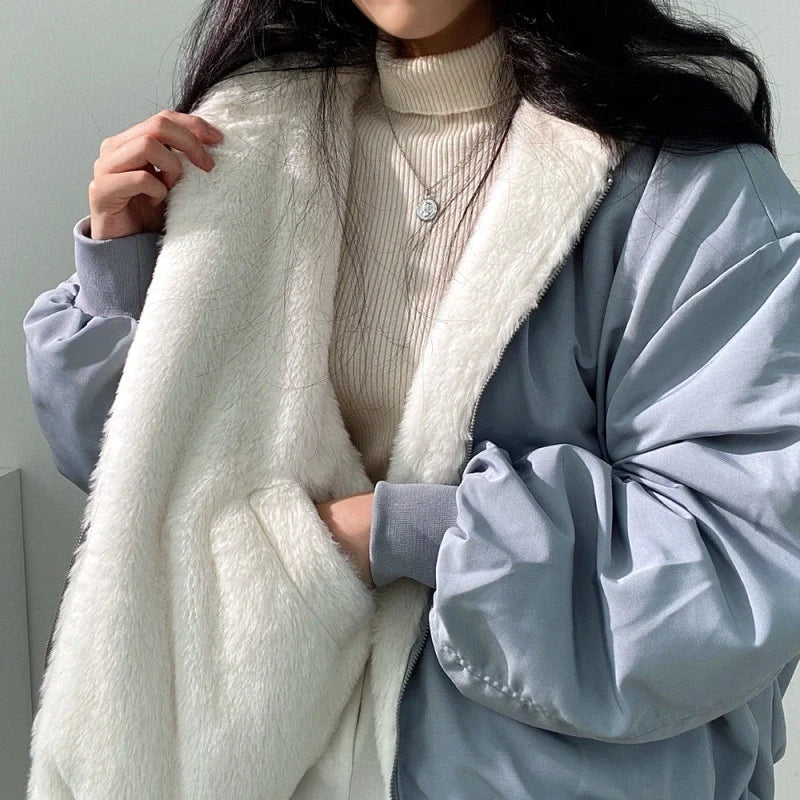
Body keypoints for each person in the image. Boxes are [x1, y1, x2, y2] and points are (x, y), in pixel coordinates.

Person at [22, 0, 800, 797]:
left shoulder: (680, 181)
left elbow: (740, 558)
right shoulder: (249, 136)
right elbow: (141, 490)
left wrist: (390, 533)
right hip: (267, 763)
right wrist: (123, 268)